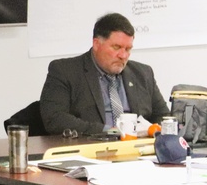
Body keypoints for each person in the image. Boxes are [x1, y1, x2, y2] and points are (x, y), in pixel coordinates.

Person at [39, 12, 169, 136]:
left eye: (128, 49)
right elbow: (54, 119)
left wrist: (151, 130)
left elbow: (164, 117)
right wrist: (111, 132)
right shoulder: (65, 71)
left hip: (137, 150)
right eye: (116, 47)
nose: (123, 55)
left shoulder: (143, 73)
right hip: (91, 148)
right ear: (96, 44)